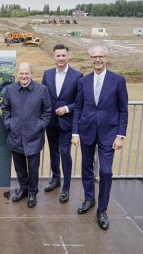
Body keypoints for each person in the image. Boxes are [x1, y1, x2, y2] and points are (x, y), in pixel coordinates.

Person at [72, 45, 128, 230]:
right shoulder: (83, 81)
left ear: (106, 58)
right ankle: (89, 199)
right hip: (87, 131)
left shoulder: (118, 80)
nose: (98, 59)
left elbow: (123, 110)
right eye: (94, 56)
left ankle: (102, 210)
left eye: (101, 56)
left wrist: (120, 135)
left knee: (105, 172)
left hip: (108, 134)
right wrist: (75, 132)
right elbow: (78, 108)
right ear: (90, 59)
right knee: (86, 168)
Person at [0, 62, 52, 208]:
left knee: (33, 168)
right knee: (20, 167)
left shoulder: (41, 89)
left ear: (31, 73)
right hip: (16, 135)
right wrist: (9, 124)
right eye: (21, 73)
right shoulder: (10, 89)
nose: (24, 76)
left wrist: (39, 126)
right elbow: (5, 108)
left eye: (26, 73)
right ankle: (23, 189)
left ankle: (32, 193)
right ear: (17, 74)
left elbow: (47, 112)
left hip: (33, 136)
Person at [41, 44, 83, 203]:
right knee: (53, 152)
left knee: (65, 153)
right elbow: (43, 96)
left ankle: (66, 187)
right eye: (58, 56)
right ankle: (55, 179)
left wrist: (66, 108)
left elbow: (80, 101)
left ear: (67, 56)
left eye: (63, 55)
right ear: (54, 57)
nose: (60, 58)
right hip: (51, 122)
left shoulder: (77, 76)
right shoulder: (47, 74)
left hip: (67, 122)